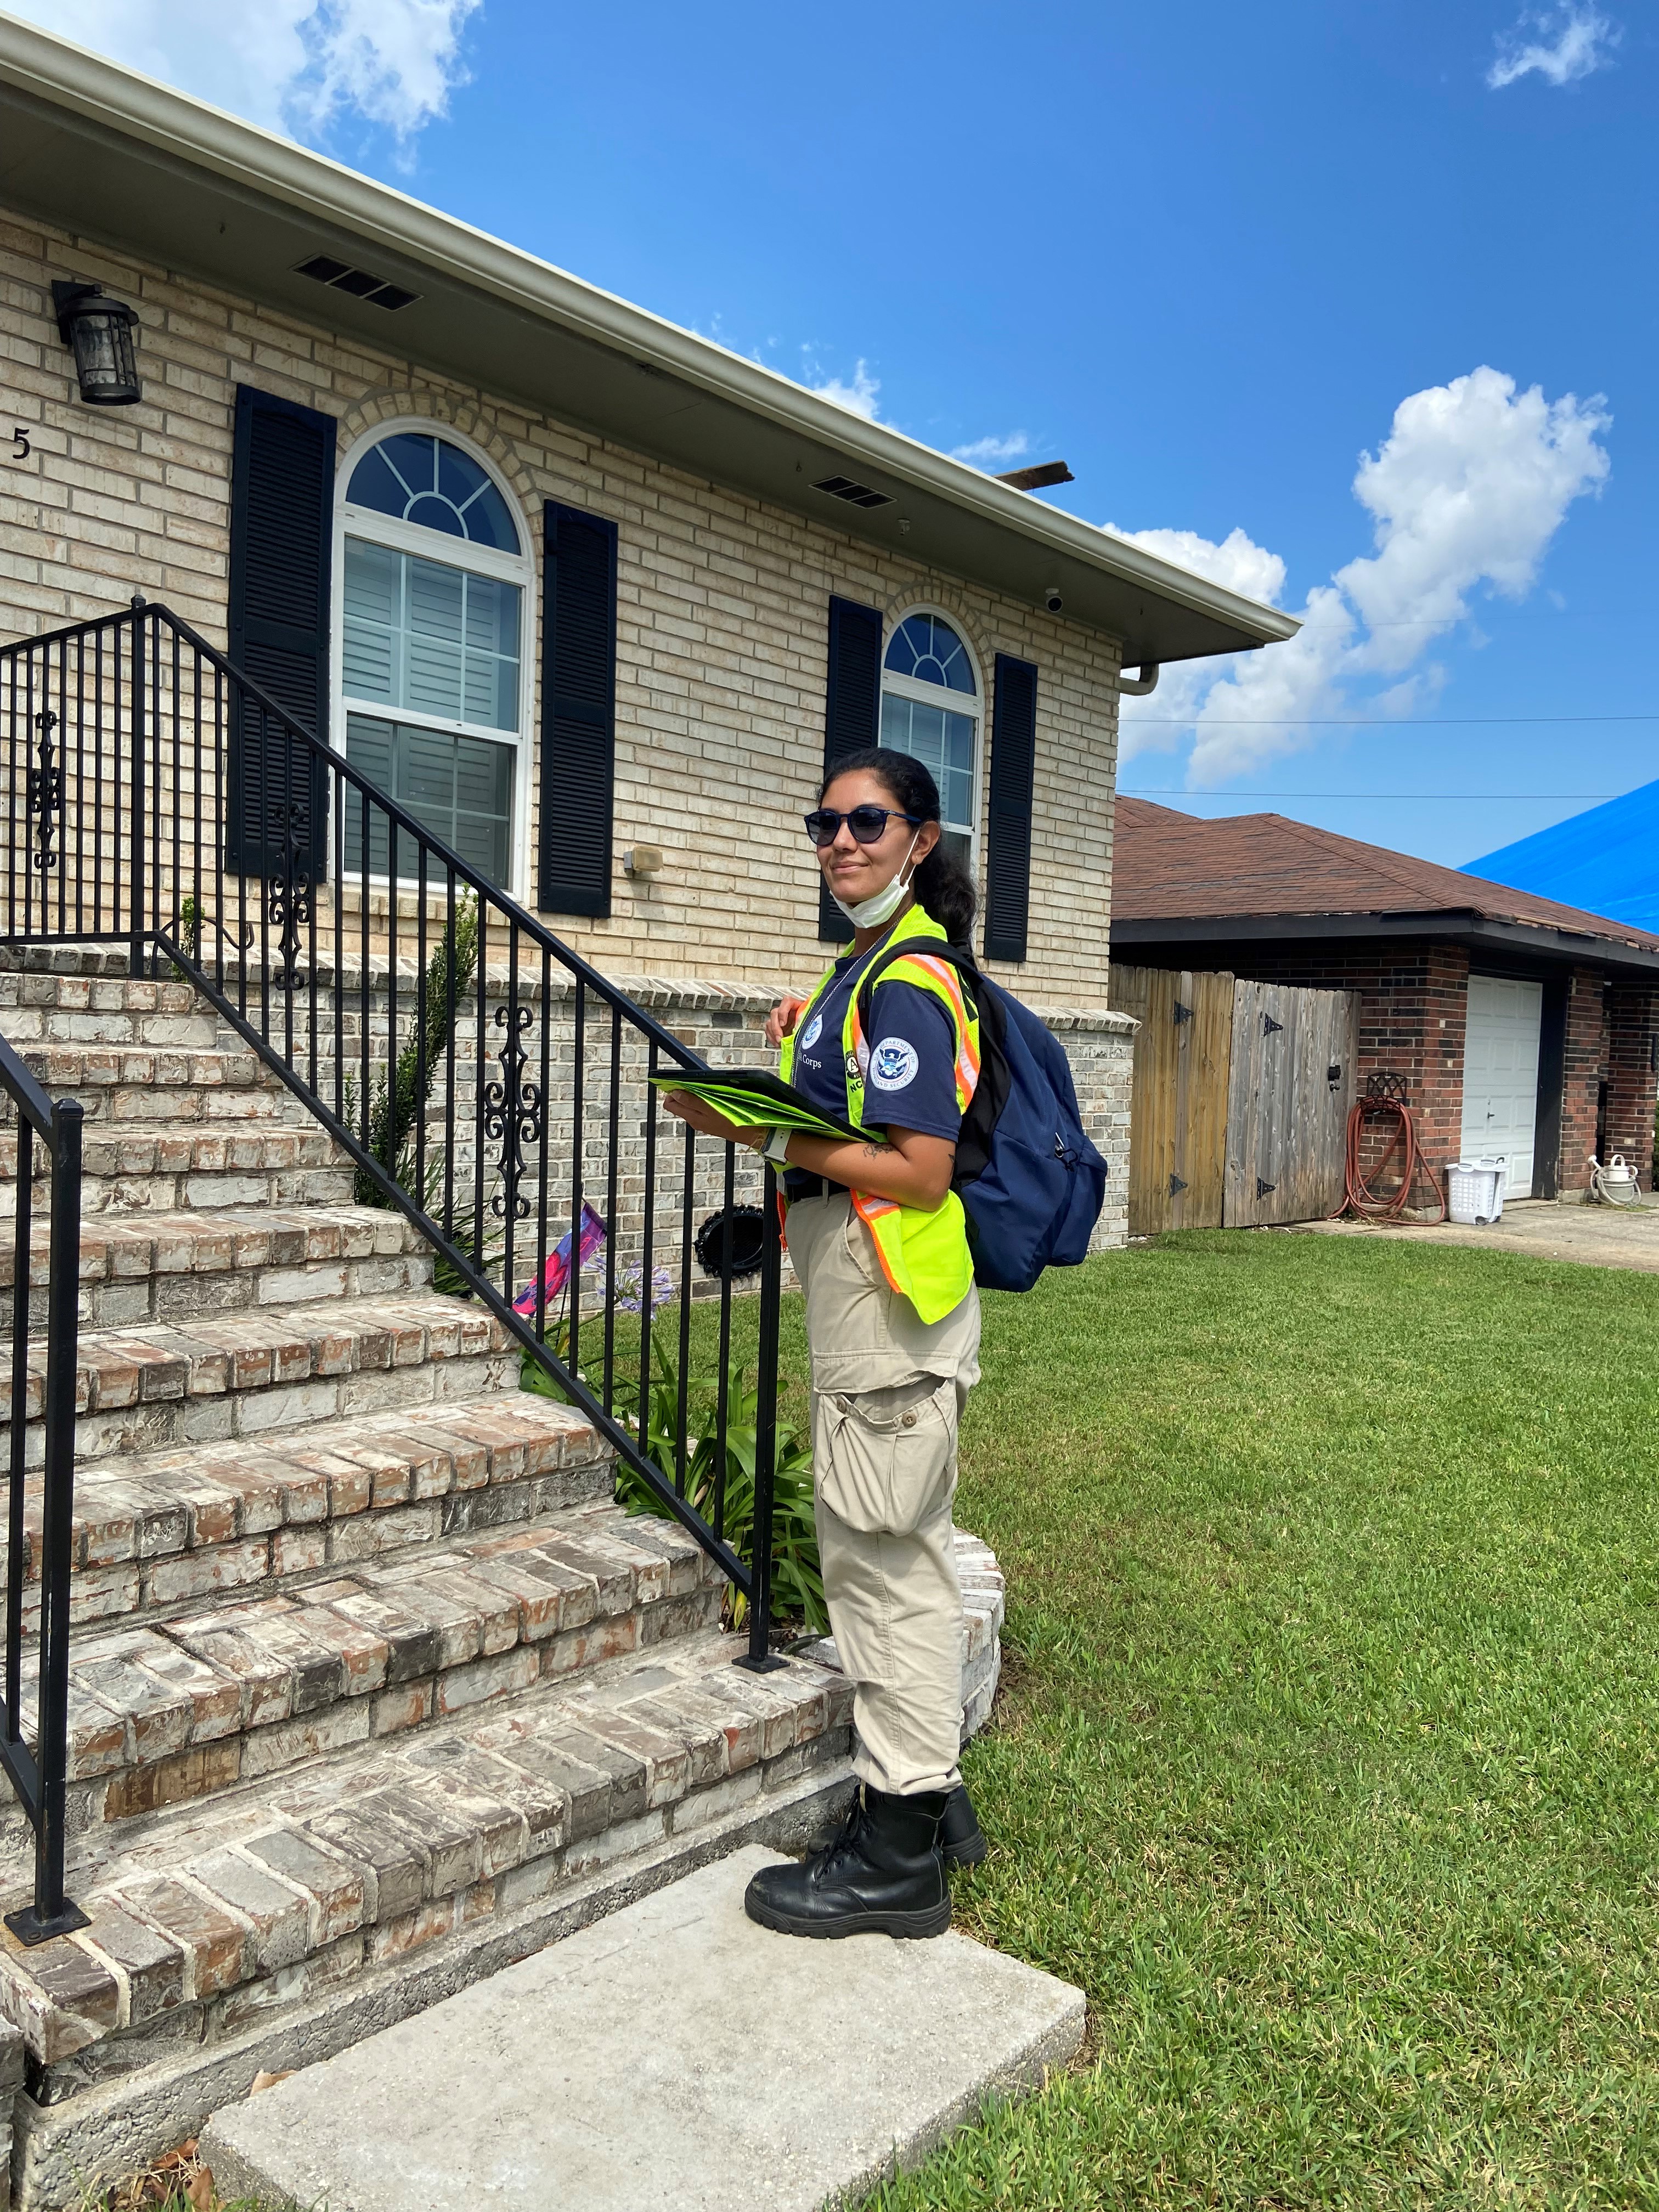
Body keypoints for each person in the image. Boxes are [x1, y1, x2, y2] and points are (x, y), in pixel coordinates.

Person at [664, 746, 985, 1940]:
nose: (841, 841)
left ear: (921, 839)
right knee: (897, 1550)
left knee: (880, 1567)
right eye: (825, 823)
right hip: (873, 1298)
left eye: (868, 821)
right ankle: (933, 1803)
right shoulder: (867, 971)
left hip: (882, 1298)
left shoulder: (906, 976)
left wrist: (750, 1128)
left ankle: (898, 1856)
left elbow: (916, 1168)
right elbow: (869, 1112)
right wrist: (802, 1057)